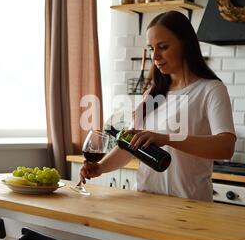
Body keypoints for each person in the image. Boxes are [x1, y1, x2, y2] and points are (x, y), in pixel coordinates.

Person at [80, 11, 236, 201]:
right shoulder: (152, 93)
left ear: (185, 44)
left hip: (191, 207)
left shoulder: (211, 90)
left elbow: (226, 147)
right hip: (145, 202)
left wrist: (167, 138)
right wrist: (101, 167)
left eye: (163, 47)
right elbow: (129, 146)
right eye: (152, 49)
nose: (156, 56)